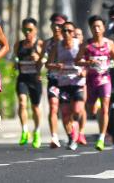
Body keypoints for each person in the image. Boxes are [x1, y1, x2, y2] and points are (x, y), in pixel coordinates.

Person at [77, 15, 114, 150]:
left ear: (103, 28)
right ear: (90, 28)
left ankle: (101, 138)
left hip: (105, 79)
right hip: (91, 80)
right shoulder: (86, 45)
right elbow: (77, 60)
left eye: (99, 26)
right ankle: (97, 107)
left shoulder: (109, 43)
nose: (96, 29)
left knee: (105, 108)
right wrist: (88, 62)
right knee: (91, 109)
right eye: (94, 27)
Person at [47, 21, 86, 150]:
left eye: (69, 31)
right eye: (64, 31)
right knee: (64, 113)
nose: (66, 33)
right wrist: (56, 66)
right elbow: (48, 64)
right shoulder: (57, 46)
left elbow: (87, 62)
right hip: (63, 84)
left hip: (77, 83)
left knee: (77, 110)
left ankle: (75, 128)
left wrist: (84, 72)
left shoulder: (79, 45)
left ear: (73, 32)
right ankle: (71, 138)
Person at [14, 17, 44, 148]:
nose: (27, 32)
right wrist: (16, 64)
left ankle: (37, 132)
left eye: (30, 30)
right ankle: (25, 130)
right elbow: (16, 61)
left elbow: (46, 61)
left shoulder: (40, 44)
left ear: (35, 30)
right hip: (23, 78)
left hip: (35, 79)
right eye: (25, 30)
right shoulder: (18, 45)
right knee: (22, 102)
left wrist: (38, 59)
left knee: (35, 107)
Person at [43, 13, 67, 148]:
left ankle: (73, 132)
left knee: (67, 110)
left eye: (60, 25)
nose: (57, 28)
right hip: (53, 79)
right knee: (53, 106)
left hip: (69, 80)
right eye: (54, 25)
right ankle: (54, 137)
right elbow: (44, 61)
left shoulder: (72, 42)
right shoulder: (48, 43)